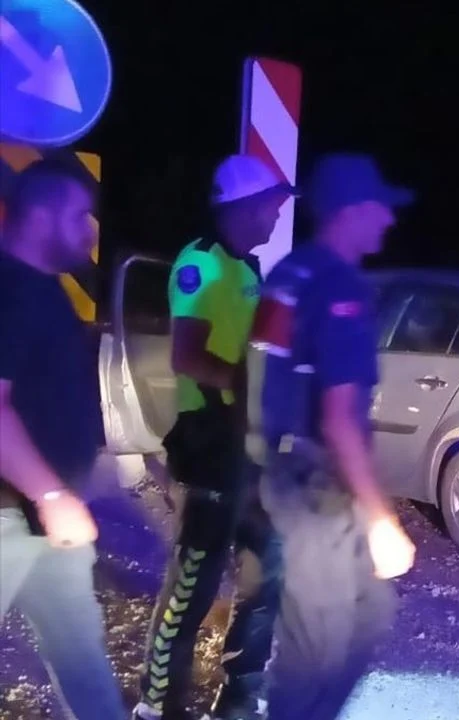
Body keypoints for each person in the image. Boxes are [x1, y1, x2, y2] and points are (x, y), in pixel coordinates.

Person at [252, 153, 417, 719]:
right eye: (380, 208)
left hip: (284, 472)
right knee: (315, 650)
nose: (388, 221)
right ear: (351, 211)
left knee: (371, 613)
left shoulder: (288, 275)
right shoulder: (339, 287)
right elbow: (340, 417)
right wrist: (381, 520)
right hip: (316, 490)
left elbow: (257, 371)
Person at [134, 156, 292, 720]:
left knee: (268, 564)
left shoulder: (246, 267)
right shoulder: (202, 263)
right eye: (271, 205)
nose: (277, 215)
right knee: (193, 586)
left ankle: (241, 697)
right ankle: (157, 705)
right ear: (244, 207)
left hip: (245, 446)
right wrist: (246, 386)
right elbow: (187, 355)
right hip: (210, 445)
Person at [0, 158, 127, 719]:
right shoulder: (10, 290)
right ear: (45, 214)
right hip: (10, 518)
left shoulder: (44, 291)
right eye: (81, 215)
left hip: (47, 525)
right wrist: (51, 496)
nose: (89, 230)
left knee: (82, 661)